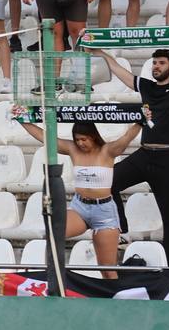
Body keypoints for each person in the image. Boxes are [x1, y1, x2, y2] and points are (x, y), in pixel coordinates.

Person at [19, 118, 141, 278]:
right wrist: (22, 121)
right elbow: (45, 138)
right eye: (77, 139)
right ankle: (54, 278)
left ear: (93, 136)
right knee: (54, 232)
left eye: (84, 139)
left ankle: (113, 292)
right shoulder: (73, 149)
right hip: (80, 207)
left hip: (104, 211)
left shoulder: (107, 150)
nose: (80, 143)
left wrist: (140, 123)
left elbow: (126, 138)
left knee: (107, 270)